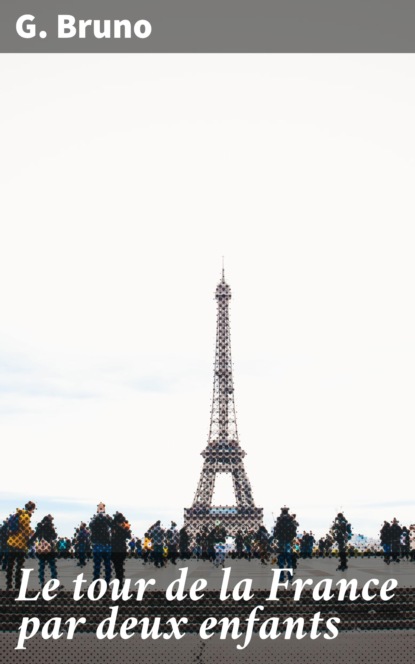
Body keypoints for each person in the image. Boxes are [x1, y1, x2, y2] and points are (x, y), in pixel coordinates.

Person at [6, 501, 36, 591]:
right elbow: (26, 530)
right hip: (20, 544)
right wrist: (31, 533)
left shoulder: (17, 514)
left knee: (10, 564)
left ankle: (9, 584)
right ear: (32, 509)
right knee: (19, 565)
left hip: (11, 542)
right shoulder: (26, 516)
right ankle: (18, 584)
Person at [89, 502, 113, 583]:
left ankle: (96, 581)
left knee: (97, 564)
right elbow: (112, 526)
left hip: (98, 543)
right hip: (106, 543)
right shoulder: (107, 518)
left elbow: (91, 526)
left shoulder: (95, 519)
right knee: (107, 564)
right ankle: (107, 581)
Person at [31, 515, 58, 586]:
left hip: (41, 548)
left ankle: (41, 580)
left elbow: (34, 536)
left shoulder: (40, 528)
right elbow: (54, 537)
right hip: (49, 548)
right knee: (52, 564)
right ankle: (54, 579)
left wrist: (29, 542)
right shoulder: (50, 527)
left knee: (42, 565)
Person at [111, 512, 131, 582]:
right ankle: (120, 579)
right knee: (120, 565)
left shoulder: (113, 527)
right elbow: (129, 536)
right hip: (122, 547)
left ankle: (119, 579)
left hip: (114, 547)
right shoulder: (124, 527)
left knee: (117, 565)